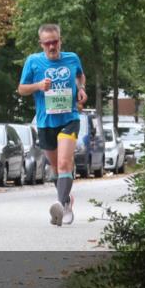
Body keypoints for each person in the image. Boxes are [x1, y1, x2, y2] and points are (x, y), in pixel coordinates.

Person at [17, 23, 87, 227]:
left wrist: (81, 89)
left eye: (54, 42)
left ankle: (58, 202)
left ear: (60, 41)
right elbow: (21, 89)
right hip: (45, 122)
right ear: (41, 44)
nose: (51, 47)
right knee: (56, 169)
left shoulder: (72, 58)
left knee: (65, 163)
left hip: (69, 118)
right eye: (47, 43)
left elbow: (80, 75)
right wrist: (38, 86)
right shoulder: (33, 61)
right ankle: (66, 202)